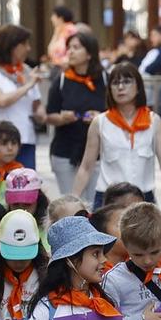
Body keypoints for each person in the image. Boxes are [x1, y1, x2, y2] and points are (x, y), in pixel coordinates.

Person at [72, 61, 161, 204]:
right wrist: (72, 201)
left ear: (138, 87)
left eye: (127, 81)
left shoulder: (154, 121)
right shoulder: (100, 122)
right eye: (115, 83)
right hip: (108, 200)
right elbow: (86, 167)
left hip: (144, 199)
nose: (120, 87)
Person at [43, 31, 106, 198]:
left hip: (98, 153)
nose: (70, 51)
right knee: (71, 201)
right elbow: (49, 115)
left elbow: (115, 112)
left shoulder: (104, 79)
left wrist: (100, 117)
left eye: (76, 47)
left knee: (94, 203)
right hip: (65, 150)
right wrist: (62, 118)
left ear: (90, 53)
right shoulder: (62, 79)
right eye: (68, 47)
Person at [0, 25, 44, 165]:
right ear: (10, 46)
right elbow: (0, 100)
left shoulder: (27, 71)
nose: (28, 48)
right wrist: (28, 85)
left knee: (27, 186)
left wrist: (42, 114)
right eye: (24, 44)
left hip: (24, 141)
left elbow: (37, 105)